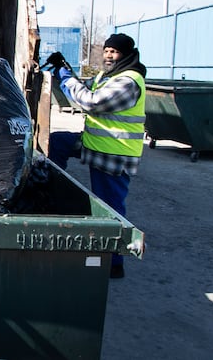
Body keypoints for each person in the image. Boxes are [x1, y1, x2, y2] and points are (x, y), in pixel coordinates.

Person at [46, 33, 147, 279]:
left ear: (126, 54)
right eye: (107, 50)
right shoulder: (108, 76)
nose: (108, 56)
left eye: (114, 52)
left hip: (114, 154)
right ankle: (48, 187)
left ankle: (114, 263)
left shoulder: (129, 81)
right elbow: (82, 89)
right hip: (95, 144)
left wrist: (66, 77)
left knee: (109, 208)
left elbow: (91, 102)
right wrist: (65, 70)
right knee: (57, 142)